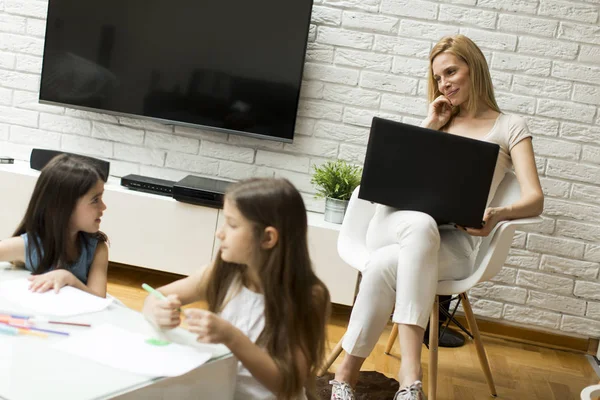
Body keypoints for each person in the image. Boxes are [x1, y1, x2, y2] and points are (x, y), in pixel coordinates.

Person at [329, 34, 545, 400]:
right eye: (438, 78)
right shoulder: (439, 119)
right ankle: (410, 378)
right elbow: (393, 182)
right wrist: (430, 124)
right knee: (419, 223)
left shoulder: (509, 127)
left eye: (451, 72)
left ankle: (344, 377)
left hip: (454, 243)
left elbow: (535, 199)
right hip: (392, 224)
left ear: (473, 68)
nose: (444, 83)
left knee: (383, 266)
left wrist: (496, 215)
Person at [142, 178, 331, 400]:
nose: (219, 233)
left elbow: (287, 386)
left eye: (232, 225)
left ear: (268, 237)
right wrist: (157, 310)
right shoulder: (221, 274)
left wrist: (232, 338)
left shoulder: (308, 296)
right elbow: (156, 296)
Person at [0, 154, 109, 298]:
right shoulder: (30, 246)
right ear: (64, 206)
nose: (104, 206)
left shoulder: (97, 249)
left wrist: (69, 279)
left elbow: (98, 298)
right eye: (95, 200)